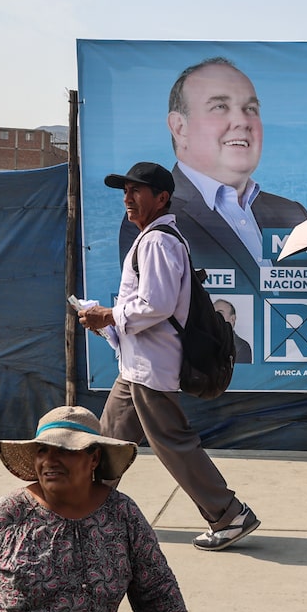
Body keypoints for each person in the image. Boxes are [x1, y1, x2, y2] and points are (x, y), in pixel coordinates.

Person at [80, 161, 260, 552]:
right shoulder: (153, 238)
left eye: (136, 191)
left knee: (174, 444)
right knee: (110, 440)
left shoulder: (158, 241)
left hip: (150, 368)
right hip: (137, 366)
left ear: (161, 197)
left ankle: (229, 514)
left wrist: (108, 315)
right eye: (125, 191)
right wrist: (107, 324)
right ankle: (87, 510)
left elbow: (156, 305)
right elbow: (149, 308)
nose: (128, 198)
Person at [0, 406, 187, 612]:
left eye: (64, 450)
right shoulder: (3, 517)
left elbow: (159, 594)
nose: (50, 460)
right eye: (43, 450)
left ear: (93, 458)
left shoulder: (123, 515)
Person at [119, 57, 307, 289]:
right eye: (220, 107)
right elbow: (149, 303)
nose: (242, 121)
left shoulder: (292, 214)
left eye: (251, 109)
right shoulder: (152, 218)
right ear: (180, 127)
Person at [213, 298, 252, 363]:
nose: (215, 317)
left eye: (220, 314)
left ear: (232, 319)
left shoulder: (241, 347)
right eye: (212, 313)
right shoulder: (202, 343)